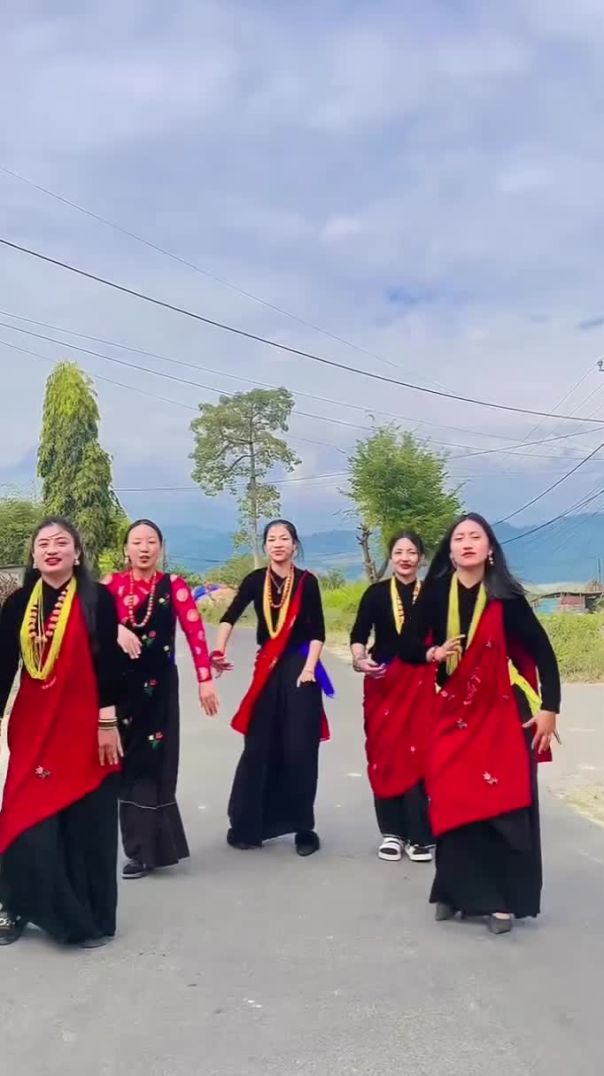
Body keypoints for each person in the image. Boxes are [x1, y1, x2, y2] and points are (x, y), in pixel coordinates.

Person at [399, 512, 561, 935]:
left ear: (490, 549)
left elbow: (542, 652)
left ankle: (503, 901)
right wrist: (433, 653)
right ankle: (453, 891)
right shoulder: (436, 593)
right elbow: (407, 645)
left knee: (502, 804)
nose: (467, 543)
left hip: (502, 713)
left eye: (476, 536)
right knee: (451, 798)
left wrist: (550, 708)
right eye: (459, 538)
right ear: (450, 551)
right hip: (453, 714)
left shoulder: (506, 596)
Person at [0, 518, 122, 948]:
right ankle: (13, 906)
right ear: (33, 556)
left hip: (84, 729)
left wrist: (107, 723)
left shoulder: (98, 599)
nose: (51, 549)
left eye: (61, 542)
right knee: (21, 816)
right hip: (33, 727)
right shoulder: (18, 604)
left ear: (77, 553)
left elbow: (109, 664)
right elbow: (4, 665)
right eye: (43, 544)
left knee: (84, 822)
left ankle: (84, 915)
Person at [103, 519, 219, 880]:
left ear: (161, 548)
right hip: (118, 690)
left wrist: (205, 680)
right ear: (126, 549)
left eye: (151, 541)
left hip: (159, 690)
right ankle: (132, 844)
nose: (144, 548)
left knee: (154, 764)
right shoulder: (111, 586)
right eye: (137, 542)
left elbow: (195, 633)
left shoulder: (175, 586)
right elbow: (87, 620)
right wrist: (115, 628)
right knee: (123, 764)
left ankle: (146, 850)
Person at [212, 520, 333, 856]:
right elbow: (229, 616)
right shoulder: (255, 580)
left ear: (294, 545)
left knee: (300, 747)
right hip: (267, 667)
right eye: (272, 539)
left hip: (300, 668)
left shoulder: (307, 582)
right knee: (257, 745)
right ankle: (248, 826)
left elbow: (318, 632)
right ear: (266, 545)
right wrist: (218, 652)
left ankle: (304, 829)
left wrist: (309, 668)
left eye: (284, 538)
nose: (278, 544)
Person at [350, 530, 434, 863]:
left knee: (420, 754)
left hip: (423, 684)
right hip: (383, 682)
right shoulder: (376, 593)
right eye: (398, 552)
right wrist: (359, 660)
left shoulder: (435, 594)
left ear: (421, 558)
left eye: (411, 552)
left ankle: (420, 836)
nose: (405, 558)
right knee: (384, 753)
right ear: (391, 557)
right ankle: (392, 833)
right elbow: (359, 634)